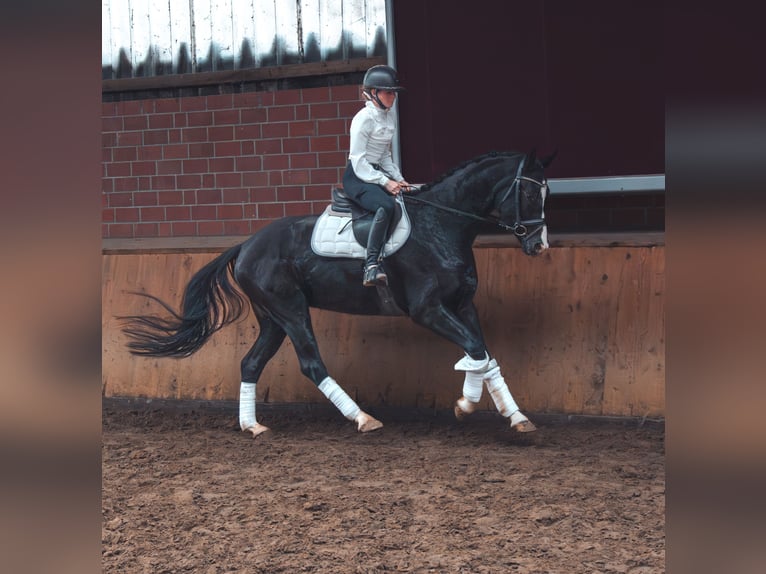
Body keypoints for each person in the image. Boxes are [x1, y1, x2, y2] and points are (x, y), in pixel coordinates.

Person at [343, 64, 411, 287]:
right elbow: (359, 161)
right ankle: (371, 265)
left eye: (394, 92)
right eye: (388, 92)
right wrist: (384, 182)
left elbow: (384, 158)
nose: (393, 96)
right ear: (373, 93)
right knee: (387, 206)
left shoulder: (388, 118)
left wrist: (398, 179)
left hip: (375, 172)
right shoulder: (363, 118)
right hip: (358, 176)